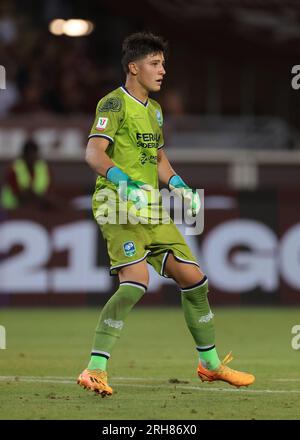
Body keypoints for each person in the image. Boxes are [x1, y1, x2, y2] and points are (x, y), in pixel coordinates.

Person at [78, 32, 255, 397]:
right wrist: (125, 184)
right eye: (155, 64)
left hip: (151, 207)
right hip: (116, 201)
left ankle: (209, 364)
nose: (162, 71)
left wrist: (180, 186)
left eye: (163, 64)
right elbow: (94, 155)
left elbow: (157, 159)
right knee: (136, 280)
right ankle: (95, 368)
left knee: (195, 280)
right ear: (133, 67)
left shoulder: (155, 110)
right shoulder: (113, 105)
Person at [0, 139, 50, 210]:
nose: (32, 157)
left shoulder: (42, 168)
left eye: (34, 154)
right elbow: (17, 193)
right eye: (29, 154)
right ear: (24, 155)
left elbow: (48, 191)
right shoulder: (15, 168)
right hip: (11, 208)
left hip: (35, 207)